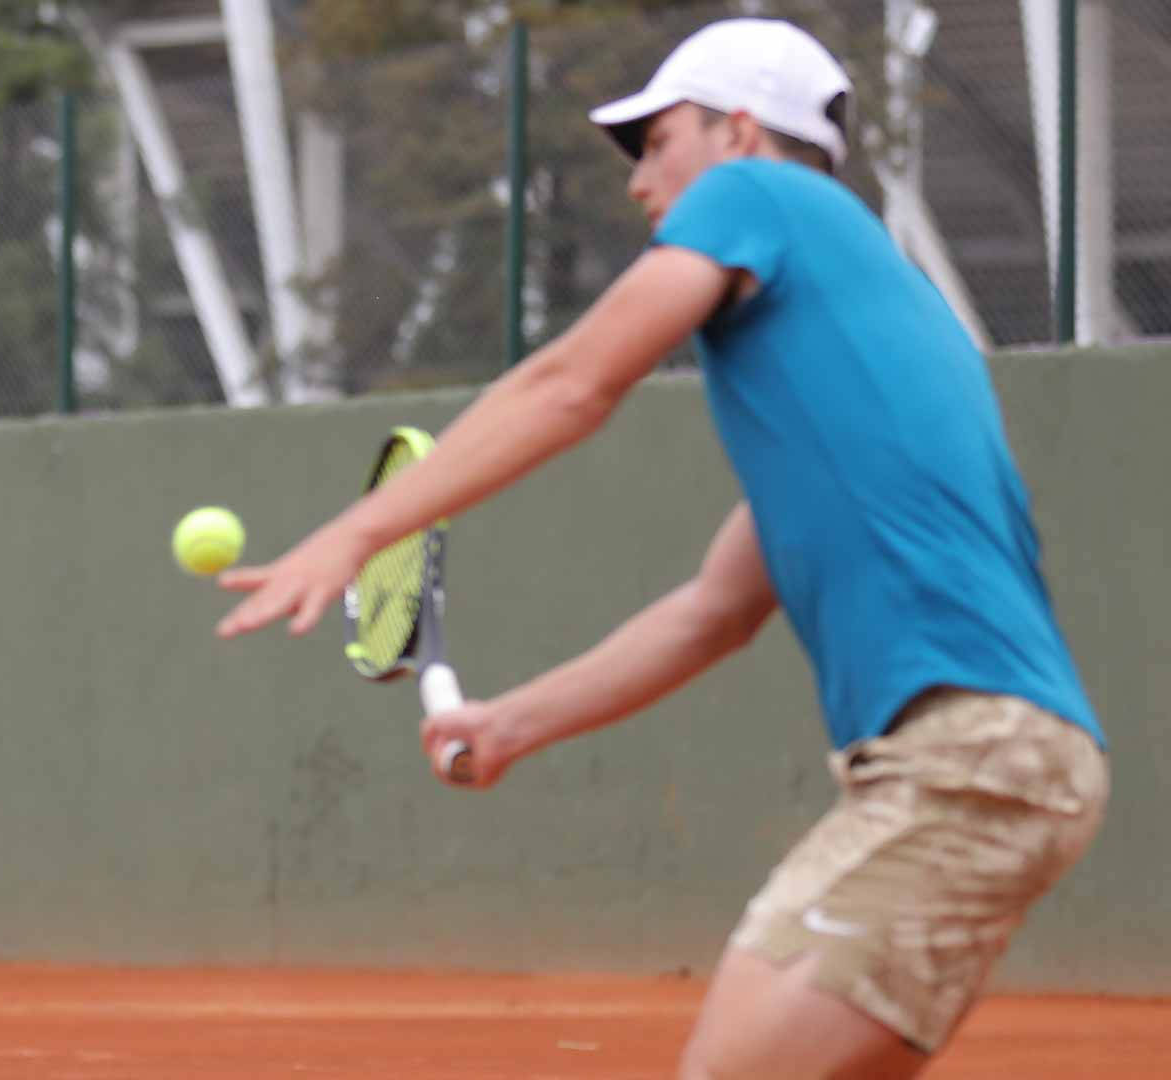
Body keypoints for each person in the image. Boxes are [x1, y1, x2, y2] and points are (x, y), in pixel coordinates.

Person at [216, 18, 1107, 1079]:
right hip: (1009, 761)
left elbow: (573, 383)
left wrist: (361, 529)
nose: (641, 179)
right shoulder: (871, 337)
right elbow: (713, 613)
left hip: (965, 762)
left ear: (739, 132)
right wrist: (509, 724)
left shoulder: (757, 195)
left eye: (657, 139)